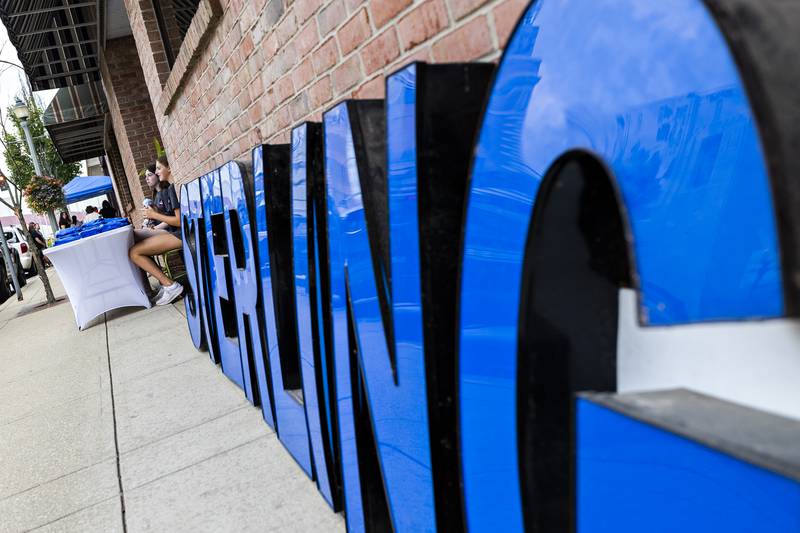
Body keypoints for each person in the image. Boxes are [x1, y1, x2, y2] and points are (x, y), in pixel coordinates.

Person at [128, 155, 184, 305]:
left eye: (159, 169)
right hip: (175, 232)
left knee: (134, 252)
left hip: (180, 234)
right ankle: (163, 286)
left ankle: (170, 285)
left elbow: (179, 221)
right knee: (133, 240)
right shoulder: (171, 188)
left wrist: (154, 214)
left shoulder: (171, 189)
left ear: (169, 168)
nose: (157, 172)